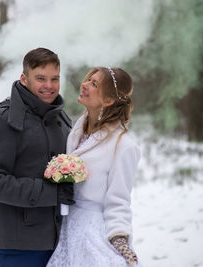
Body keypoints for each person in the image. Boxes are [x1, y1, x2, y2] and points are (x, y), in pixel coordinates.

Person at [0, 47, 75, 267]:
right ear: (24, 78)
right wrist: (50, 193)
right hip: (20, 244)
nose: (49, 86)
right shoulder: (4, 120)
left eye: (54, 79)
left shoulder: (62, 118)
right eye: (40, 78)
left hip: (60, 240)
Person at [47, 67, 142, 267]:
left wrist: (119, 237)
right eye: (89, 79)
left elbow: (119, 200)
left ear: (108, 100)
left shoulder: (124, 146)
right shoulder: (76, 132)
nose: (85, 84)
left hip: (94, 236)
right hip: (67, 230)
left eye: (94, 84)